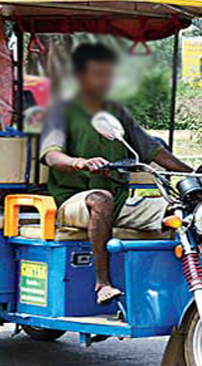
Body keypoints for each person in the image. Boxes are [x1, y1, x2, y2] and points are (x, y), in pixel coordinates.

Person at [40, 43, 193, 305]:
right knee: (101, 199)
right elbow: (51, 155)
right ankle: (103, 283)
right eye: (98, 74)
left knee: (181, 210)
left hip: (119, 198)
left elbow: (152, 150)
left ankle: (182, 287)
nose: (105, 81)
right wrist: (79, 162)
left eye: (109, 75)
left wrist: (193, 172)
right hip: (73, 200)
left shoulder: (117, 112)